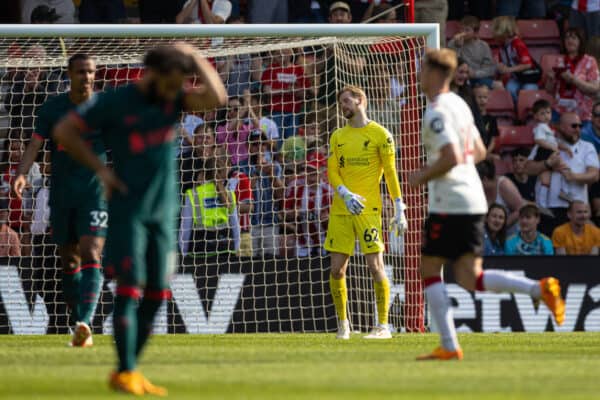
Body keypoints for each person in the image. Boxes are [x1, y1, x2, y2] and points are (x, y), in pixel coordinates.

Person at [52, 44, 227, 395]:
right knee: (130, 288)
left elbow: (218, 99)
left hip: (164, 211)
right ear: (151, 75)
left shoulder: (172, 98)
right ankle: (126, 369)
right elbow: (65, 131)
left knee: (158, 293)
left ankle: (128, 370)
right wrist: (101, 169)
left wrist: (193, 56)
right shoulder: (115, 102)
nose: (174, 90)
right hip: (128, 210)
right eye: (171, 82)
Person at [408, 48, 563, 361]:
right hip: (472, 195)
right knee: (469, 277)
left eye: (422, 69)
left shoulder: (436, 111)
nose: (418, 75)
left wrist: (421, 176)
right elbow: (478, 150)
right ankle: (540, 288)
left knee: (429, 267)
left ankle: (449, 346)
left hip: (450, 199)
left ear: (435, 74)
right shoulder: (460, 105)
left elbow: (452, 155)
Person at [12, 54, 104, 347]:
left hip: (94, 193)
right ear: (69, 74)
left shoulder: (105, 108)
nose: (86, 78)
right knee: (69, 262)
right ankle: (79, 322)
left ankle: (84, 322)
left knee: (91, 253)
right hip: (62, 194)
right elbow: (35, 144)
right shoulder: (53, 108)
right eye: (81, 72)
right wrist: (22, 173)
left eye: (90, 72)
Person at [325, 85, 407, 340]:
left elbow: (391, 173)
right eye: (341, 102)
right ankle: (343, 325)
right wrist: (345, 194)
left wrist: (398, 206)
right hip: (342, 209)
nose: (343, 106)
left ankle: (383, 326)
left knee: (375, 266)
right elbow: (332, 170)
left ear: (361, 101)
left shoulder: (381, 134)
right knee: (337, 270)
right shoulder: (338, 135)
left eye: (347, 101)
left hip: (369, 210)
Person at [526, 112, 600, 234]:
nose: (578, 129)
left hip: (577, 208)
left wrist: (574, 176)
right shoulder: (546, 144)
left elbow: (594, 175)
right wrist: (547, 164)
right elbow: (527, 168)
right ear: (560, 127)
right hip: (549, 208)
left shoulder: (587, 147)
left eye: (580, 126)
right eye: (574, 126)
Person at [179, 156, 240, 257]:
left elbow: (185, 227)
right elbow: (235, 225)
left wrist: (184, 252)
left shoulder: (193, 194)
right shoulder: (229, 194)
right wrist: (236, 248)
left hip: (200, 252)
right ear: (222, 173)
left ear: (203, 173)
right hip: (226, 251)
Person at [544, 28, 600, 125]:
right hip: (560, 111)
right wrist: (550, 79)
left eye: (573, 38)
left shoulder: (590, 61)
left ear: (580, 41)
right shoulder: (559, 60)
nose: (569, 40)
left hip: (582, 114)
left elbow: (595, 88)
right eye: (567, 38)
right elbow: (549, 90)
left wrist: (573, 80)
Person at [283, 159, 332, 257]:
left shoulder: (329, 191)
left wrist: (328, 219)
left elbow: (338, 221)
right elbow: (283, 214)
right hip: (303, 246)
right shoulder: (296, 188)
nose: (310, 176)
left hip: (324, 245)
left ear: (320, 173)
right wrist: (293, 214)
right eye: (308, 172)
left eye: (313, 173)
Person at [247, 130, 284, 257]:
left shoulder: (275, 166)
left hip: (270, 223)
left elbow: (280, 195)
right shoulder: (242, 167)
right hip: (250, 224)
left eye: (263, 144)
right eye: (255, 144)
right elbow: (243, 194)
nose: (259, 147)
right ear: (249, 147)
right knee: (250, 264)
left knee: (271, 263)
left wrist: (272, 176)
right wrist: (257, 171)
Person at [530, 99, 572, 208]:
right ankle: (543, 202)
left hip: (549, 151)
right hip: (545, 152)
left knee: (548, 179)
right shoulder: (540, 127)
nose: (546, 116)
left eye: (548, 112)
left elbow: (555, 142)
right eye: (542, 113)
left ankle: (544, 202)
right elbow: (539, 140)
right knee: (562, 169)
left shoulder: (548, 128)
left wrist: (565, 148)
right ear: (536, 116)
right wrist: (553, 147)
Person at [492, 16, 539, 103]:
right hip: (516, 78)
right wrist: (500, 67)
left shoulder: (518, 44)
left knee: (528, 90)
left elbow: (528, 64)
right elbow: (503, 64)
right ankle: (516, 110)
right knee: (510, 89)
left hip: (528, 77)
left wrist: (508, 69)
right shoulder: (502, 47)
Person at [448, 16, 497, 88]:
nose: (463, 32)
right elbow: (451, 64)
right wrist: (458, 47)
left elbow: (489, 69)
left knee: (498, 85)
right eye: (461, 29)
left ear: (475, 32)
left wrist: (475, 74)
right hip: (458, 77)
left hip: (478, 78)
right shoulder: (452, 43)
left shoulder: (483, 46)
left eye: (467, 30)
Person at [477, 159, 525, 230]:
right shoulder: (478, 189)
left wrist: (501, 227)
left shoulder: (505, 185)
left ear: (485, 179)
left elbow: (520, 209)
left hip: (510, 234)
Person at [472, 84, 499, 156]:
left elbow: (493, 140)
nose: (482, 100)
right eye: (479, 97)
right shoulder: (471, 118)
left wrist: (487, 152)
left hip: (486, 152)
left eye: (485, 97)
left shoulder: (492, 119)